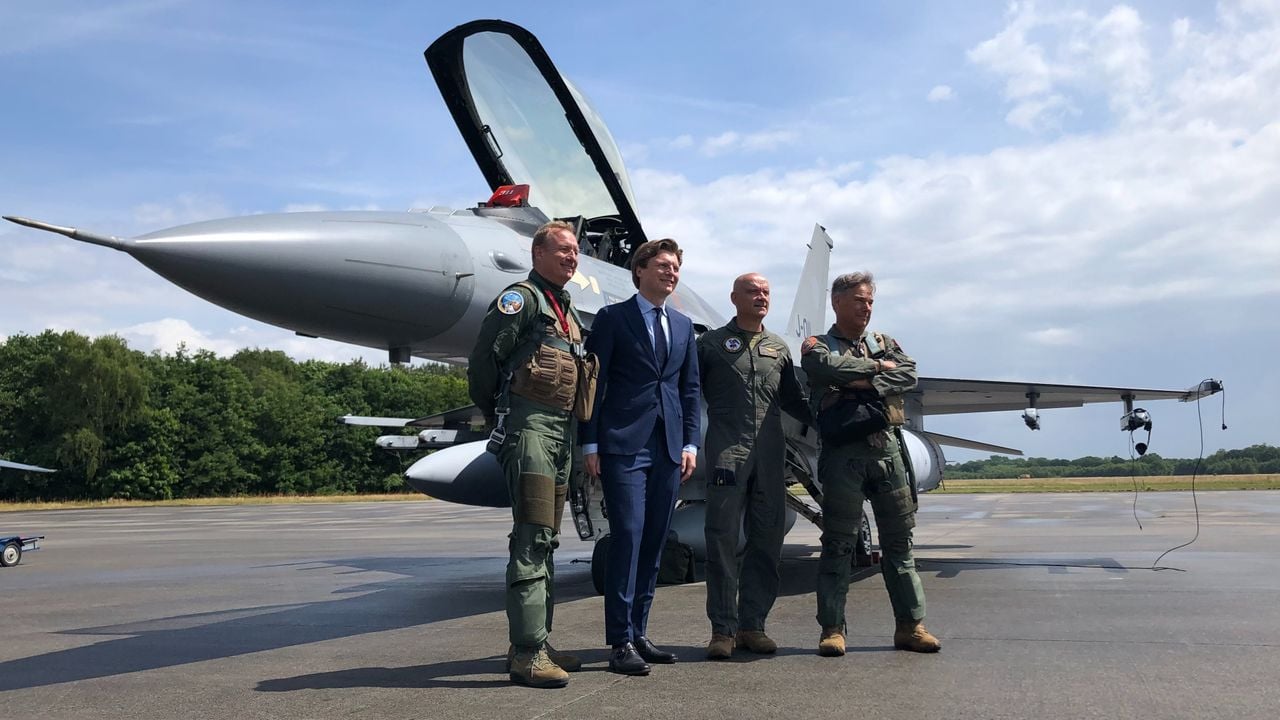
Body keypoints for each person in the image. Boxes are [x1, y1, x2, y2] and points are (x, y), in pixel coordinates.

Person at [468, 220, 589, 688]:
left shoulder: (565, 308)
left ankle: (539, 640)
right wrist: (501, 412)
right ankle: (526, 654)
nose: (572, 257)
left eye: (575, 251)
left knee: (549, 540)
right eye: (563, 250)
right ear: (537, 254)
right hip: (532, 428)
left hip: (561, 433)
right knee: (533, 537)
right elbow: (484, 361)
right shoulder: (521, 298)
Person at [800, 271, 941, 656]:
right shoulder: (816, 344)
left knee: (900, 544)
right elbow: (824, 369)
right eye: (859, 300)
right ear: (837, 302)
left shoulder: (885, 341)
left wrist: (860, 382)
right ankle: (832, 629)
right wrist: (880, 371)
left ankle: (911, 626)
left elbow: (910, 374)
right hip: (843, 456)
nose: (866, 307)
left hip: (888, 453)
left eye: (870, 301)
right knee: (837, 544)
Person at [581, 238, 701, 676]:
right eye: (663, 266)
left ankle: (640, 633)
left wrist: (690, 444)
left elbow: (689, 390)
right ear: (640, 270)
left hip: (668, 446)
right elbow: (594, 385)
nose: (671, 273)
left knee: (654, 543)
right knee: (627, 537)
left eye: (675, 267)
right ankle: (619, 642)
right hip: (623, 445)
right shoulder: (613, 319)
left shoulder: (684, 326)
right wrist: (590, 444)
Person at [697, 273, 812, 660]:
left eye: (766, 291)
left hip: (769, 455)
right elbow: (686, 393)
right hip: (727, 453)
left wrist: (835, 421)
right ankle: (722, 630)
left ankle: (753, 626)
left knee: (767, 540)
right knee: (722, 540)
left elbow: (795, 401)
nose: (761, 296)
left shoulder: (778, 348)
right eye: (753, 291)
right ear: (734, 298)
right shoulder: (710, 345)